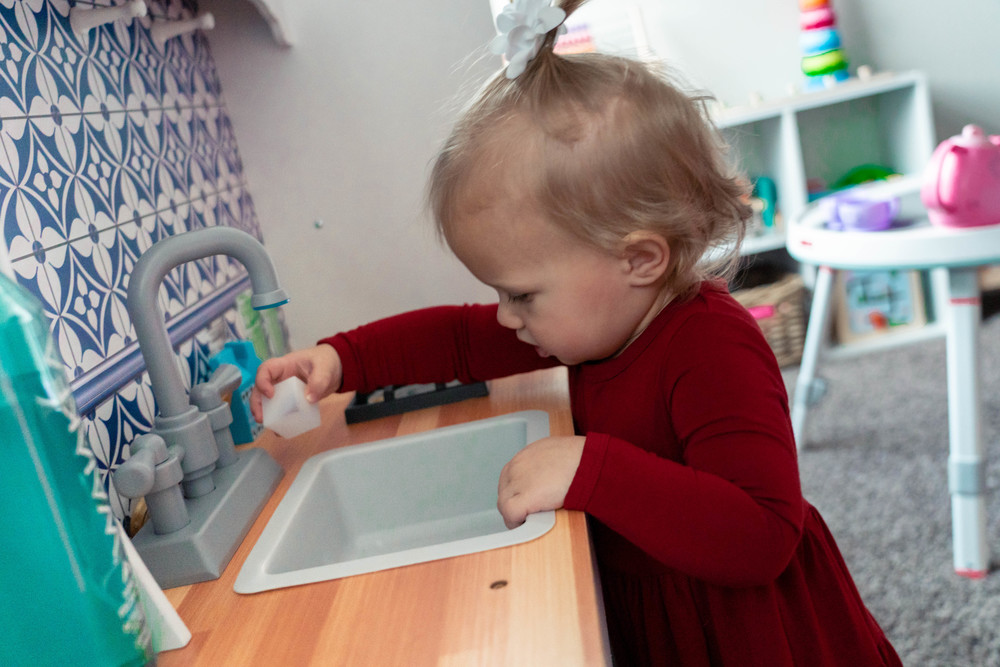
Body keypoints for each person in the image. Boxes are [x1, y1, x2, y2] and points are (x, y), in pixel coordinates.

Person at [251, 1, 901, 664]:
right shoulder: (591, 319)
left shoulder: (713, 348)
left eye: (521, 294)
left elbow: (763, 533)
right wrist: (341, 358)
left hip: (747, 630)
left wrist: (593, 468)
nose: (506, 315)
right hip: (664, 607)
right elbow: (456, 338)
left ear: (639, 259)